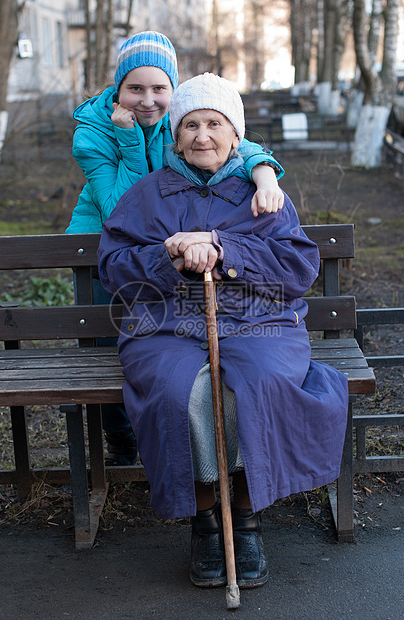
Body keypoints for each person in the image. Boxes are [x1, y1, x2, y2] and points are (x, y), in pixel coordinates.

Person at [97, 72, 349, 589]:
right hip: (165, 325)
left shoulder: (263, 193)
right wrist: (167, 254)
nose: (202, 136)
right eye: (190, 124)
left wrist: (223, 246)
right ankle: (206, 518)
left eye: (215, 123)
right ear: (175, 135)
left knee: (256, 386)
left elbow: (299, 270)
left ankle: (247, 516)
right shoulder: (149, 195)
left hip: (260, 321)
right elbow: (115, 268)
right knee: (178, 391)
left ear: (236, 135)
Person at [66, 31, 286, 467]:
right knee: (111, 346)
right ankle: (122, 438)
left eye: (159, 89)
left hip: (171, 242)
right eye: (135, 88)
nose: (147, 100)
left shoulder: (184, 122)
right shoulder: (92, 136)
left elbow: (232, 139)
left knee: (165, 341)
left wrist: (265, 173)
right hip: (108, 242)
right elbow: (122, 210)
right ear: (118, 89)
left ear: (174, 91)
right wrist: (127, 140)